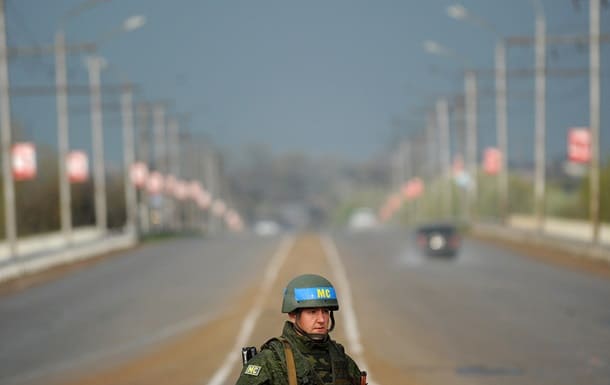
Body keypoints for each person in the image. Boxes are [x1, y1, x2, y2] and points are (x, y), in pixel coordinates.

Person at [235, 273, 366, 385]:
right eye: (312, 312)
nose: (321, 319)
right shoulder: (272, 360)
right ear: (293, 315)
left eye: (325, 311)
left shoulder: (341, 359)